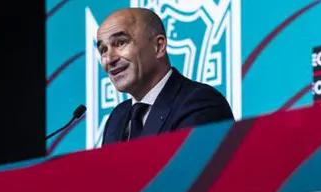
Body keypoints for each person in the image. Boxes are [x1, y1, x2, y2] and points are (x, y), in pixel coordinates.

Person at [96, 8, 235, 146]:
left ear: (159, 46)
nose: (109, 59)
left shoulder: (201, 104)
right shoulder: (117, 119)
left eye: (120, 43)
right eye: (103, 50)